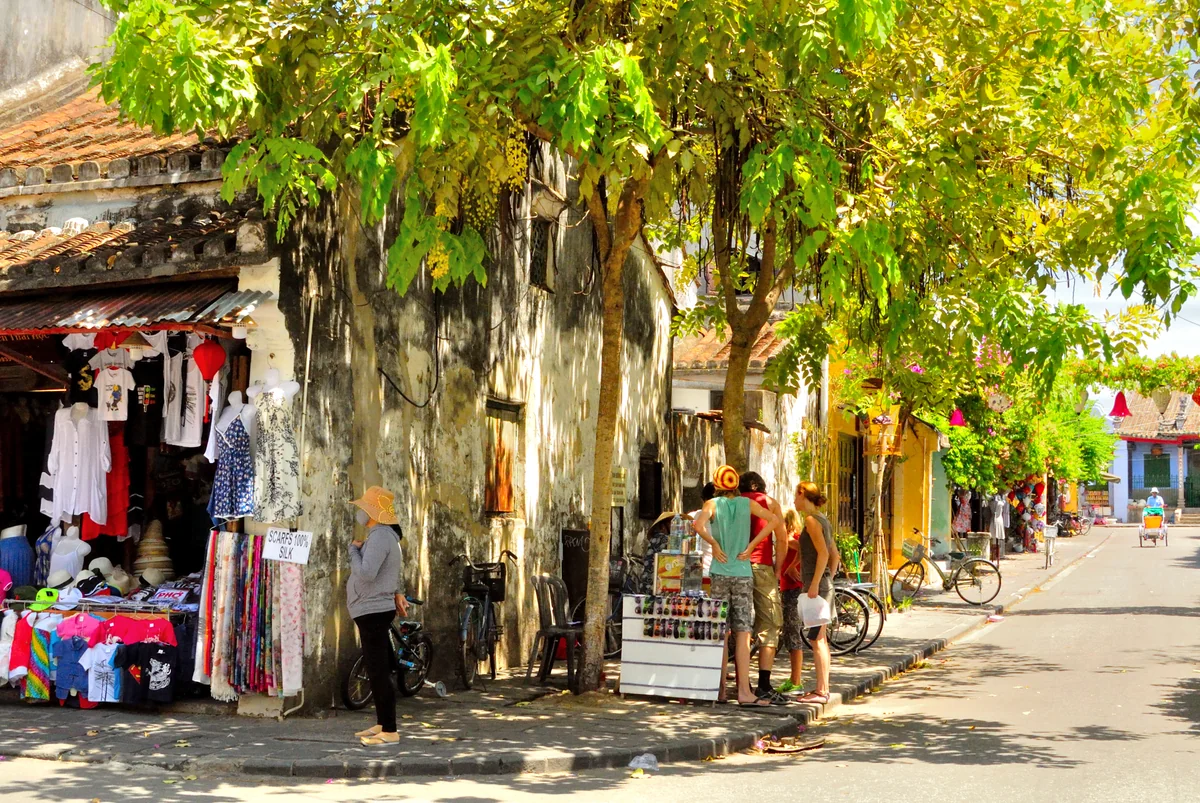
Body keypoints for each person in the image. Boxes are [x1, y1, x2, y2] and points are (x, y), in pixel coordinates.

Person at [692, 464, 782, 707]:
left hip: (719, 572)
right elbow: (774, 521)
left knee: (721, 630)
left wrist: (715, 544)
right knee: (743, 632)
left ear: (718, 485)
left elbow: (697, 526)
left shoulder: (711, 505)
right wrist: (752, 546)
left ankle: (719, 689)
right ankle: (744, 691)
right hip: (743, 572)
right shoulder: (747, 504)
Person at [347, 486, 407, 746]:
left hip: (372, 611)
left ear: (373, 511)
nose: (360, 512)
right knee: (376, 670)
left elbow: (367, 573)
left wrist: (353, 550)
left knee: (378, 672)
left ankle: (390, 731)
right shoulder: (382, 536)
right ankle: (383, 723)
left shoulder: (381, 536)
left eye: (363, 508)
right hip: (370, 609)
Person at [738, 471, 789, 703]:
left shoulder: (733, 502)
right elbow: (782, 539)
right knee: (769, 622)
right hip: (761, 565)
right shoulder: (769, 503)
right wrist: (778, 570)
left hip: (735, 566)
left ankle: (741, 684)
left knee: (738, 624)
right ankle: (764, 684)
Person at [793, 481, 837, 704]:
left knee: (817, 640)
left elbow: (824, 554)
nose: (794, 500)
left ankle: (821, 692)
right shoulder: (822, 520)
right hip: (823, 586)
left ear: (802, 494)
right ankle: (822, 688)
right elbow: (834, 554)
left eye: (795, 495)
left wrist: (815, 584)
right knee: (820, 640)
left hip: (817, 588)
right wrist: (828, 579)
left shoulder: (811, 520)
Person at [776, 508, 807, 695]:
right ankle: (793, 678)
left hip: (792, 589)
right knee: (790, 634)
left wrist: (791, 567)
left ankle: (796, 680)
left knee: (793, 634)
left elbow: (803, 550)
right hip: (789, 588)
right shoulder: (792, 536)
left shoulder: (790, 537)